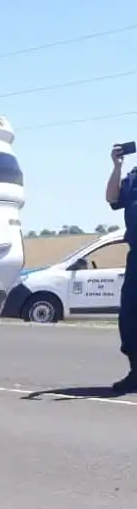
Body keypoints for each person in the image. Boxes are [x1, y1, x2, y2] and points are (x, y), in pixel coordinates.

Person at [106, 144, 137, 391]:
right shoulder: (133, 178)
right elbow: (112, 198)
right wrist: (117, 167)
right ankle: (136, 372)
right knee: (129, 315)